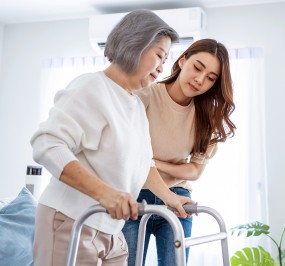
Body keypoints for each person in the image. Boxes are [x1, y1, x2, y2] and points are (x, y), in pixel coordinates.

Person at [30, 9, 195, 266]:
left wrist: (170, 197)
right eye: (160, 56)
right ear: (136, 43)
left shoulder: (136, 105)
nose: (163, 67)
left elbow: (144, 164)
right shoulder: (91, 88)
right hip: (70, 219)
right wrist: (105, 194)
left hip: (111, 229)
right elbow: (47, 144)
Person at [122, 38, 236, 266]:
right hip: (134, 195)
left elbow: (194, 171)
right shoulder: (145, 96)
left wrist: (153, 162)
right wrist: (149, 164)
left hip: (178, 198)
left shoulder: (207, 117)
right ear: (182, 60)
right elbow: (129, 158)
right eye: (197, 68)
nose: (200, 80)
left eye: (211, 78)